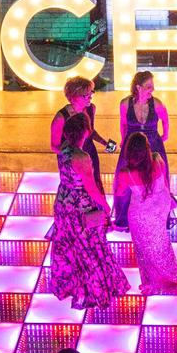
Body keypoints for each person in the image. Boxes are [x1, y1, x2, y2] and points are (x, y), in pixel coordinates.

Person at [47, 113, 130, 311]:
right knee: (91, 245)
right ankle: (95, 287)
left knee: (69, 243)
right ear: (84, 132)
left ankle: (71, 282)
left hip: (63, 201)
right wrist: (106, 206)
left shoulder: (64, 148)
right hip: (81, 206)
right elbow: (91, 188)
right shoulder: (82, 157)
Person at [113, 133, 177, 293]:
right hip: (160, 206)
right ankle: (169, 274)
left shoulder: (126, 173)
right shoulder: (157, 159)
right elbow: (164, 181)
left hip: (141, 213)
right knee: (160, 241)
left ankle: (151, 282)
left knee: (143, 247)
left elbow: (120, 192)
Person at [51, 77, 115, 194]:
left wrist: (104, 142)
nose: (90, 97)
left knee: (94, 183)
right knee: (78, 188)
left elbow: (90, 131)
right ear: (73, 96)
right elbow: (54, 146)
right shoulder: (61, 117)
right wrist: (70, 156)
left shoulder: (91, 108)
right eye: (86, 95)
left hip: (90, 152)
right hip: (73, 159)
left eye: (91, 93)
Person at [121, 71, 171, 173]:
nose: (153, 89)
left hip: (153, 145)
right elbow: (123, 123)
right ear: (138, 87)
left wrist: (165, 135)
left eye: (153, 86)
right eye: (149, 86)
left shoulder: (157, 104)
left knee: (154, 176)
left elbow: (165, 120)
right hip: (132, 147)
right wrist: (123, 140)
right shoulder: (125, 104)